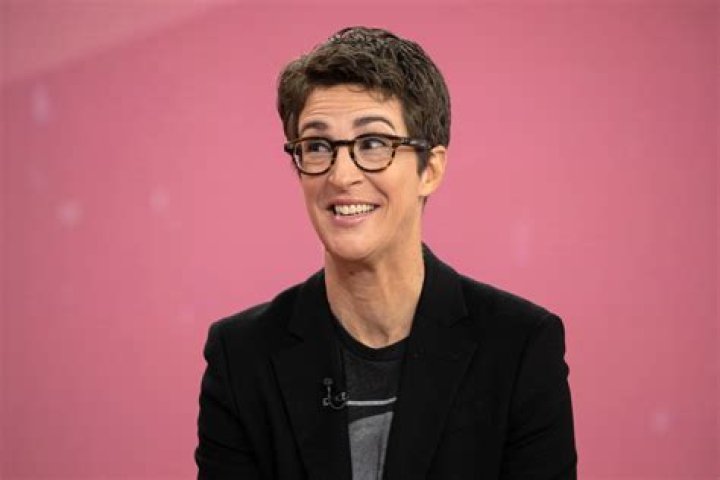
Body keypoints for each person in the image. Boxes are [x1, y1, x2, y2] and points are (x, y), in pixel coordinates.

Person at [195, 26, 577, 479]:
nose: (341, 176)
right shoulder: (242, 355)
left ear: (430, 170)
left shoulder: (519, 347)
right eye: (317, 146)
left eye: (373, 144)